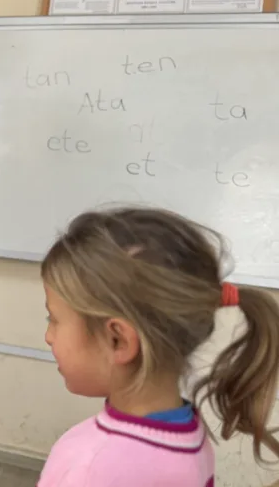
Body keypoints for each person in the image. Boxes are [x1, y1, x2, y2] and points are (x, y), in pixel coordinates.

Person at [38, 207, 279, 486]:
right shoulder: (188, 433)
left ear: (119, 340)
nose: (49, 336)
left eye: (53, 319)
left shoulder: (90, 465)